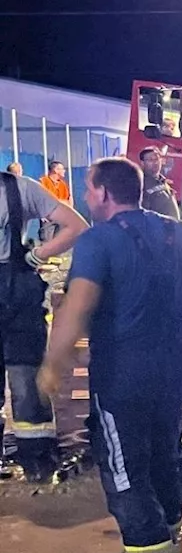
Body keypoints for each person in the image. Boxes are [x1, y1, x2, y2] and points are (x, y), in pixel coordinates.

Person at [37, 158, 182, 553]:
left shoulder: (97, 240)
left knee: (123, 462)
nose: (86, 197)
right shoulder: (177, 230)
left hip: (123, 370)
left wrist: (53, 364)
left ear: (104, 193)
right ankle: (173, 525)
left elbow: (78, 304)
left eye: (88, 189)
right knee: (164, 447)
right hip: (176, 364)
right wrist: (171, 301)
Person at [0, 166, 87, 478]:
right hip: (16, 297)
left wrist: (38, 255)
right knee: (26, 385)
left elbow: (76, 225)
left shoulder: (21, 188)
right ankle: (36, 467)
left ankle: (38, 465)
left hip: (17, 300)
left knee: (26, 383)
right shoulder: (18, 189)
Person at [139, 147, 181, 219]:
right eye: (150, 160)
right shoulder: (141, 183)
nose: (155, 162)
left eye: (157, 159)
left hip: (172, 227)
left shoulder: (163, 181)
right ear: (142, 163)